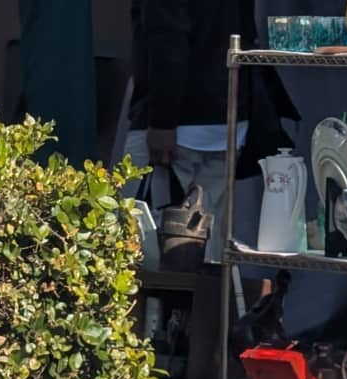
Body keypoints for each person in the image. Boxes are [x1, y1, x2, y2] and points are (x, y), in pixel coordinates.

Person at [126, 0, 296, 264]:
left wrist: (162, 120)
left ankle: (158, 304)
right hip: (228, 114)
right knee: (209, 242)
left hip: (176, 122)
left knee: (141, 240)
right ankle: (204, 303)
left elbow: (167, 37)